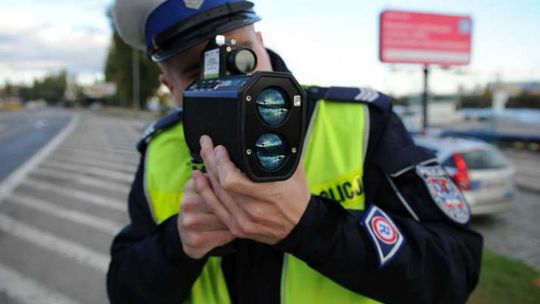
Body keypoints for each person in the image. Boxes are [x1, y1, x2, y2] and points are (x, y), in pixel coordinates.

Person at [108, 1, 483, 303]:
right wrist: (178, 244)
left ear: (262, 42)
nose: (228, 84)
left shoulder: (360, 123)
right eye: (197, 74)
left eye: (242, 58)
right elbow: (124, 289)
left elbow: (455, 269)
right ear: (169, 87)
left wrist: (311, 225)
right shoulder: (159, 150)